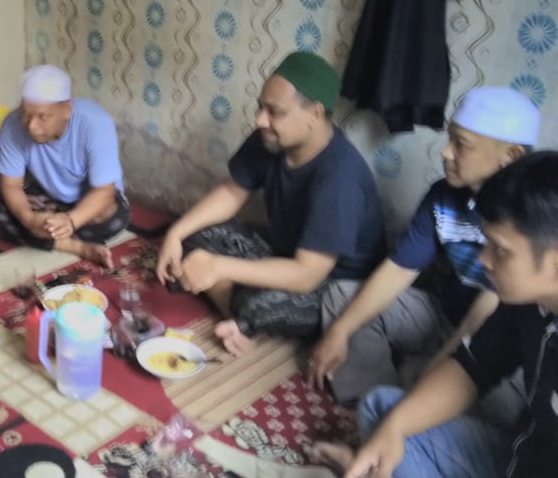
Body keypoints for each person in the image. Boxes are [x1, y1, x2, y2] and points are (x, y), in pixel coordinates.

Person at [309, 87, 540, 407]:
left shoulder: (530, 221)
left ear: (510, 156)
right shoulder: (444, 196)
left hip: (495, 343)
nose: (445, 152)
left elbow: (481, 319)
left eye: (461, 144)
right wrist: (341, 331)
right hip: (442, 317)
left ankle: (401, 405)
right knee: (342, 300)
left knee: (494, 406)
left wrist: (427, 386)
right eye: (449, 139)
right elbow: (399, 269)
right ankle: (371, 404)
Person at [337, 151, 558, 478]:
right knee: (387, 415)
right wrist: (395, 429)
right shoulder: (526, 304)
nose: (484, 260)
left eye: (500, 250)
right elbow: (474, 368)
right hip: (520, 454)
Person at [156, 51, 386, 356]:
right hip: (282, 254)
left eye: (274, 112)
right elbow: (231, 192)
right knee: (196, 233)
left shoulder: (340, 178)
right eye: (261, 107)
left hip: (330, 287)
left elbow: (307, 275)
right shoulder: (272, 140)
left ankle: (243, 315)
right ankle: (240, 317)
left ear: (315, 115)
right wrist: (175, 233)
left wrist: (218, 267)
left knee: (259, 302)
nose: (260, 120)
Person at [0, 64, 129, 268]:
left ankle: (42, 236)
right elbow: (11, 185)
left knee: (114, 217)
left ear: (66, 109)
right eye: (26, 114)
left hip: (90, 203)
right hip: (48, 198)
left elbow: (104, 192)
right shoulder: (12, 124)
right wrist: (29, 220)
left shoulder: (95, 123)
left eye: (43, 117)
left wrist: (70, 221)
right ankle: (76, 247)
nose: (32, 126)